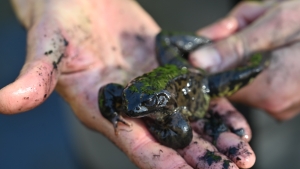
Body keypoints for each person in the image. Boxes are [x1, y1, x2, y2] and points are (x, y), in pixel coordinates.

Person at [1, 0, 298, 168]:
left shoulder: (168, 112)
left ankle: (217, 48)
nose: (133, 107)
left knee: (253, 67)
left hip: (198, 83)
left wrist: (157, 126)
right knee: (161, 38)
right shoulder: (130, 96)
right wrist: (114, 112)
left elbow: (180, 134)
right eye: (131, 98)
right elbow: (108, 91)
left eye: (142, 105)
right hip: (137, 26)